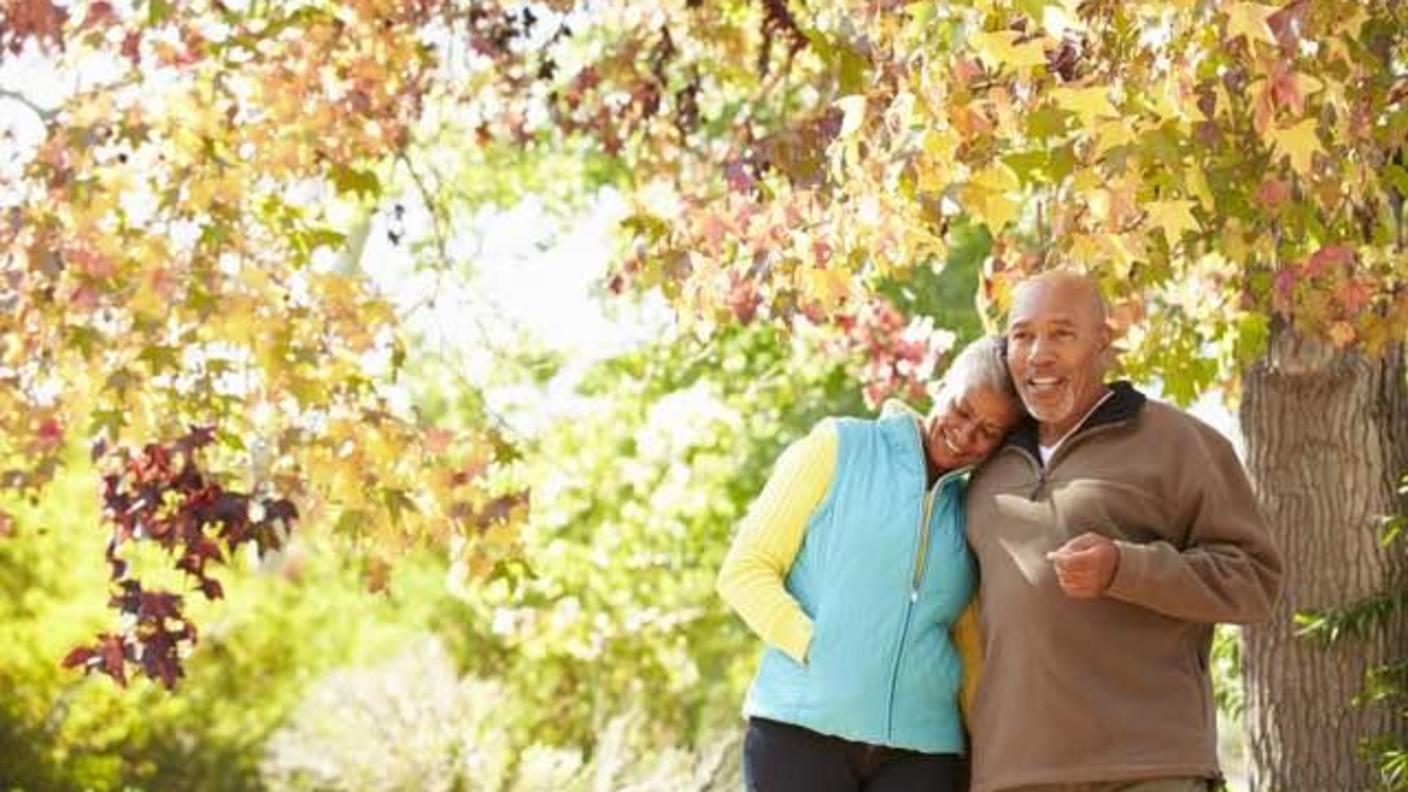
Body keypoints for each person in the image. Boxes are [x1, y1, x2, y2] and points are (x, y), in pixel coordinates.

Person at [964, 271, 1284, 792]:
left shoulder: (1179, 443)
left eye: (1062, 333)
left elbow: (1255, 582)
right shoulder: (983, 461)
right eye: (1022, 335)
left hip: (1149, 766)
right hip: (1015, 771)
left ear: (1102, 344)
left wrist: (1125, 568)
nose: (1039, 354)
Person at [717, 335, 1024, 792]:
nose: (965, 435)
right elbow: (745, 570)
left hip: (922, 750)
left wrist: (986, 742)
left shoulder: (972, 508)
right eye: (961, 410)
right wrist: (815, 645)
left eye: (987, 432)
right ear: (941, 385)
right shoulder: (839, 447)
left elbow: (965, 640)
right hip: (802, 730)